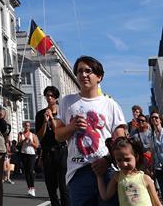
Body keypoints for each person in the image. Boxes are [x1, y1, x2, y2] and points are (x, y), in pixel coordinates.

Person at [53, 56, 125, 206]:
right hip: (78, 172)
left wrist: (107, 160)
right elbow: (58, 136)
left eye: (88, 71)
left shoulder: (110, 104)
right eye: (79, 71)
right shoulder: (67, 102)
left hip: (106, 170)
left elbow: (120, 141)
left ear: (99, 77)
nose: (83, 75)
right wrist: (71, 127)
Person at [94, 137, 161, 206]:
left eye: (127, 159)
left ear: (136, 157)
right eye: (119, 160)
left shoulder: (145, 179)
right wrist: (99, 175)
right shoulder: (117, 177)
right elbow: (105, 196)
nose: (124, 164)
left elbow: (157, 203)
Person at [36, 86, 69, 206]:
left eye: (52, 96)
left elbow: (60, 134)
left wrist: (52, 119)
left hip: (61, 151)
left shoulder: (62, 113)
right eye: (47, 95)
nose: (49, 98)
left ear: (56, 98)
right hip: (47, 152)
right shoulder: (40, 114)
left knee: (64, 186)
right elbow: (40, 136)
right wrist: (45, 122)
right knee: (51, 186)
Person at [18, 121, 39, 197]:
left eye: (28, 126)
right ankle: (29, 188)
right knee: (26, 172)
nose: (27, 127)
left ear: (30, 127)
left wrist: (31, 142)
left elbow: (37, 146)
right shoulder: (20, 134)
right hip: (24, 154)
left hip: (31, 154)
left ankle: (33, 188)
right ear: (23, 126)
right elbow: (19, 144)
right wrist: (24, 140)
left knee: (30, 170)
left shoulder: (33, 135)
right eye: (26, 125)